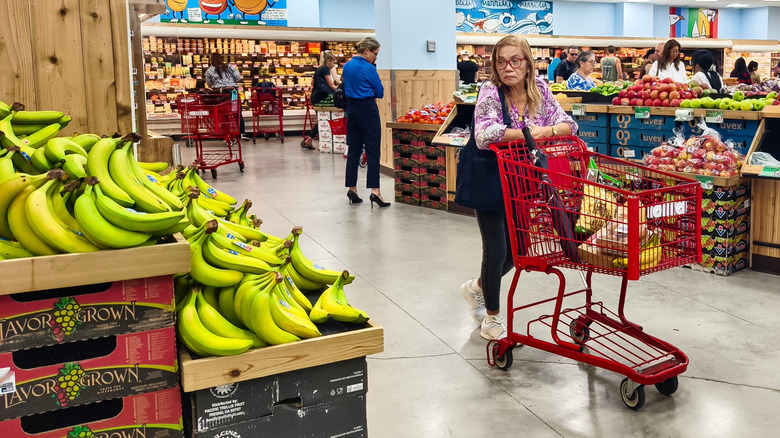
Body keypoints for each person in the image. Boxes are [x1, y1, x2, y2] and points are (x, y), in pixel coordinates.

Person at [460, 35, 578, 340]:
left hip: (521, 179)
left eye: (515, 60)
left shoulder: (540, 90)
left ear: (527, 63)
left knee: (521, 249)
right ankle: (492, 318)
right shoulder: (490, 90)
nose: (507, 67)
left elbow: (569, 124)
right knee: (496, 249)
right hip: (490, 176)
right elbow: (485, 134)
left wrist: (546, 130)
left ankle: (476, 288)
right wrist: (528, 134)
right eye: (501, 61)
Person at [342, 37, 389, 208]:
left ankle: (352, 188)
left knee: (353, 150)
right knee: (373, 151)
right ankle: (375, 191)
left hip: (351, 109)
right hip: (368, 109)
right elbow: (380, 91)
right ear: (367, 51)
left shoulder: (347, 66)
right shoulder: (369, 68)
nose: (375, 58)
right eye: (375, 54)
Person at [205, 53, 248, 140]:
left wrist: (216, 85)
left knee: (224, 114)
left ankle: (227, 133)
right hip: (232, 93)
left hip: (220, 95)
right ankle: (242, 133)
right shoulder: (229, 67)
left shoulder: (210, 70)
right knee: (237, 113)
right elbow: (238, 77)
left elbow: (209, 83)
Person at [301, 52, 338, 149]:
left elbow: (312, 82)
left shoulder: (319, 68)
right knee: (324, 119)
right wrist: (339, 91)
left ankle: (310, 140)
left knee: (322, 119)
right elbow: (330, 84)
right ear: (328, 61)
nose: (334, 65)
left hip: (315, 96)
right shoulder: (325, 69)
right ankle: (310, 139)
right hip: (321, 97)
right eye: (333, 63)